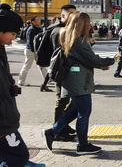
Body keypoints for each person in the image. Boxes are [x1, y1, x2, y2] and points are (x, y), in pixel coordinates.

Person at [43, 12, 117, 155]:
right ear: (82, 24)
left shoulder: (67, 36)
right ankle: (82, 145)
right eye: (88, 23)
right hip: (78, 82)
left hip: (73, 79)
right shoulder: (79, 41)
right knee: (84, 112)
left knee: (74, 111)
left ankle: (52, 132)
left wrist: (98, 63)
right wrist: (112, 59)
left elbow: (83, 59)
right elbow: (93, 60)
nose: (90, 25)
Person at [0, 4, 45, 166]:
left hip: (6, 119)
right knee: (18, 156)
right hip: (3, 123)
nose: (13, 38)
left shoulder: (1, 47)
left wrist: (11, 84)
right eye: (12, 34)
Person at [49, 4, 77, 142]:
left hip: (67, 70)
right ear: (63, 16)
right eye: (70, 14)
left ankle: (63, 126)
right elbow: (66, 52)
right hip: (62, 71)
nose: (74, 17)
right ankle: (57, 130)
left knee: (70, 100)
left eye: (75, 14)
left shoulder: (67, 29)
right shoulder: (59, 31)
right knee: (61, 101)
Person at [17, 16, 49, 89]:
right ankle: (21, 81)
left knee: (42, 66)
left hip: (35, 50)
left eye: (39, 19)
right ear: (33, 22)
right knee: (27, 66)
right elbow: (30, 42)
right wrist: (35, 50)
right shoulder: (31, 29)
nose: (40, 21)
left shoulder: (38, 28)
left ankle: (47, 80)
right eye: (38, 20)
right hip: (31, 51)